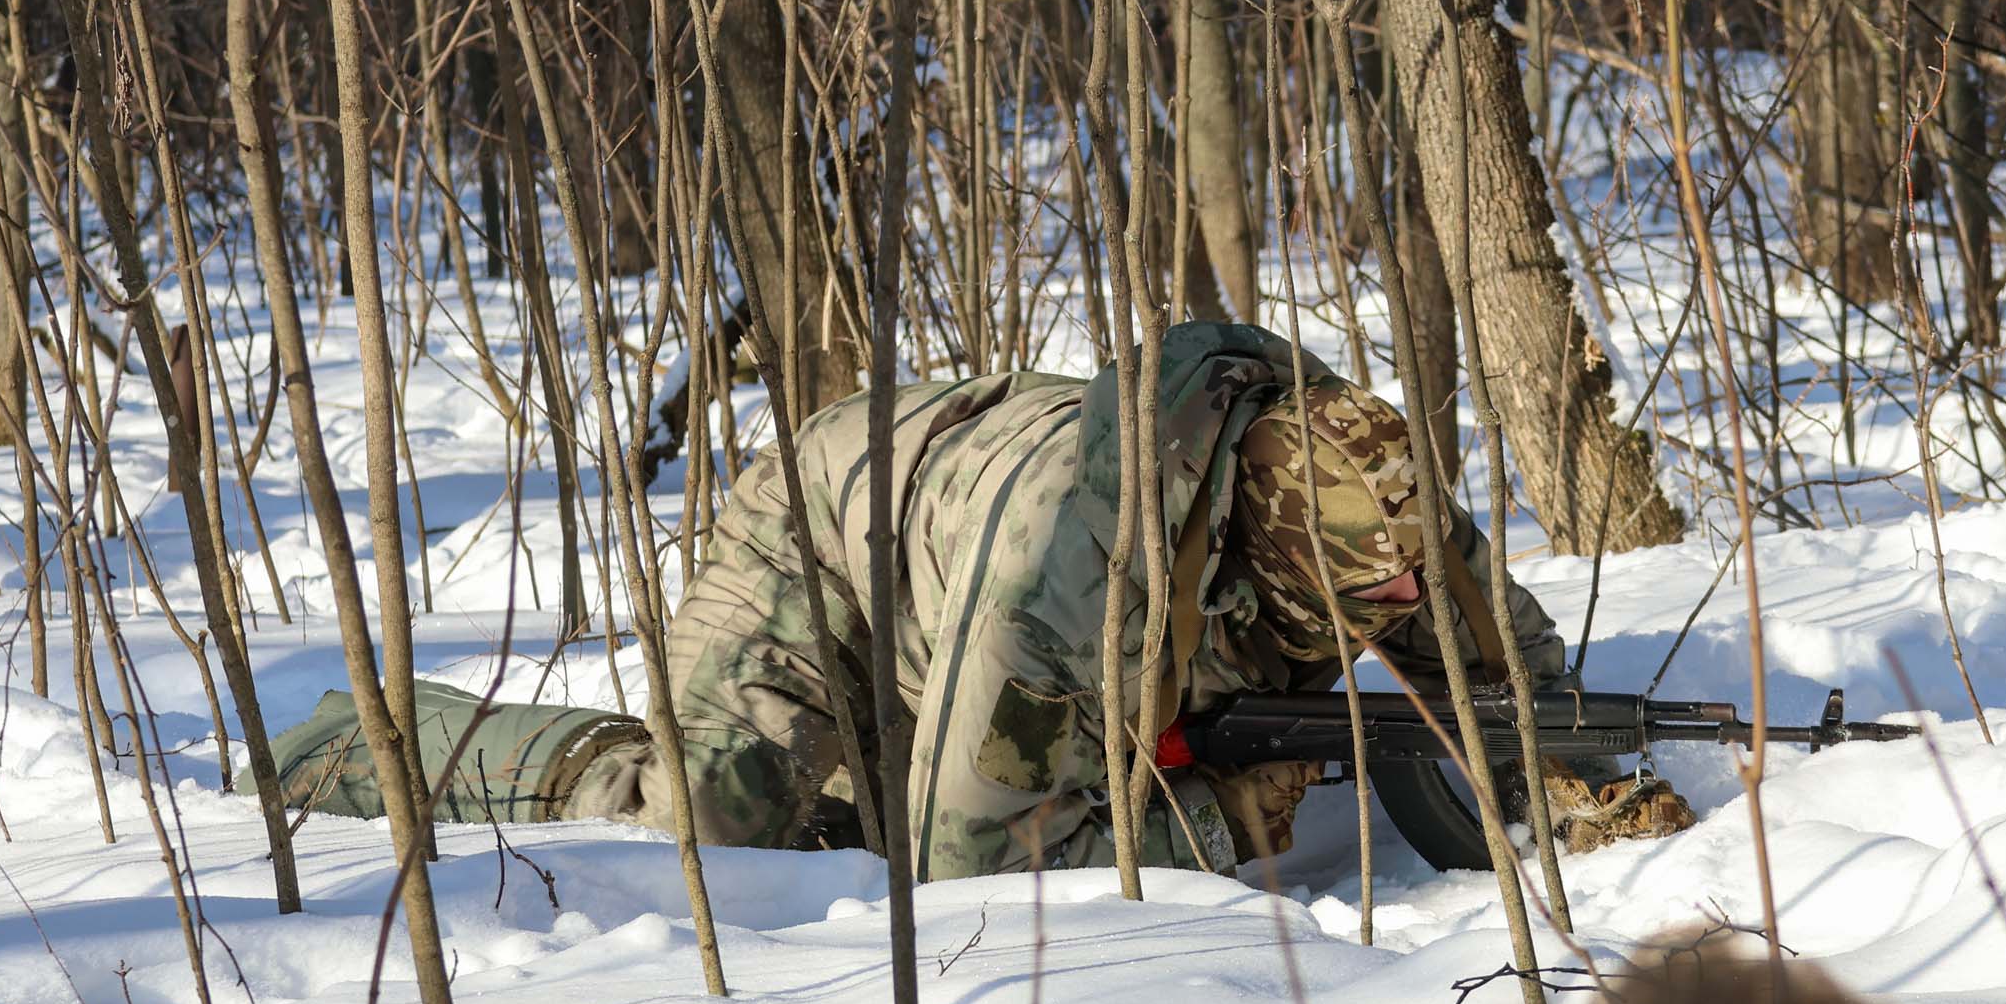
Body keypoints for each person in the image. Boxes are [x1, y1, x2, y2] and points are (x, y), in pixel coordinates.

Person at [257, 323, 1695, 878]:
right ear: (1256, 550)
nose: (1388, 604)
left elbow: (1497, 665)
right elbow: (973, 871)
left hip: (983, 535)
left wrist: (1554, 771)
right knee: (704, 824)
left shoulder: (1361, 485)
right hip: (838, 533)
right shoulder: (1070, 583)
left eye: (1391, 583)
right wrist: (1220, 821)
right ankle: (377, 739)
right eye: (1349, 602)